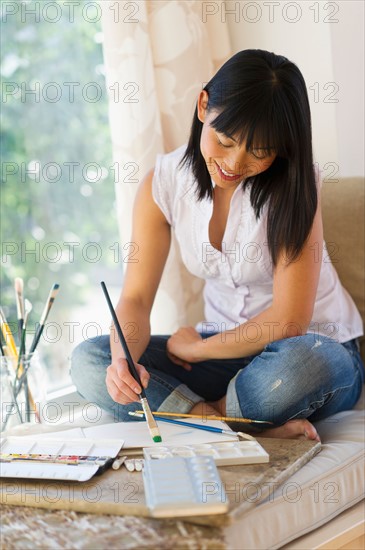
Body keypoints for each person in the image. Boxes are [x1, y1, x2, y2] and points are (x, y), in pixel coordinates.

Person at [71, 49, 364, 441]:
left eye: (260, 151)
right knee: (91, 361)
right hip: (223, 357)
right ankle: (226, 423)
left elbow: (289, 320)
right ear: (203, 105)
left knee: (310, 361)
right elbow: (137, 299)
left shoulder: (295, 185)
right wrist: (124, 360)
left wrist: (198, 351)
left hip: (306, 350)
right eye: (225, 139)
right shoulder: (163, 184)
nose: (234, 163)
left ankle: (196, 419)